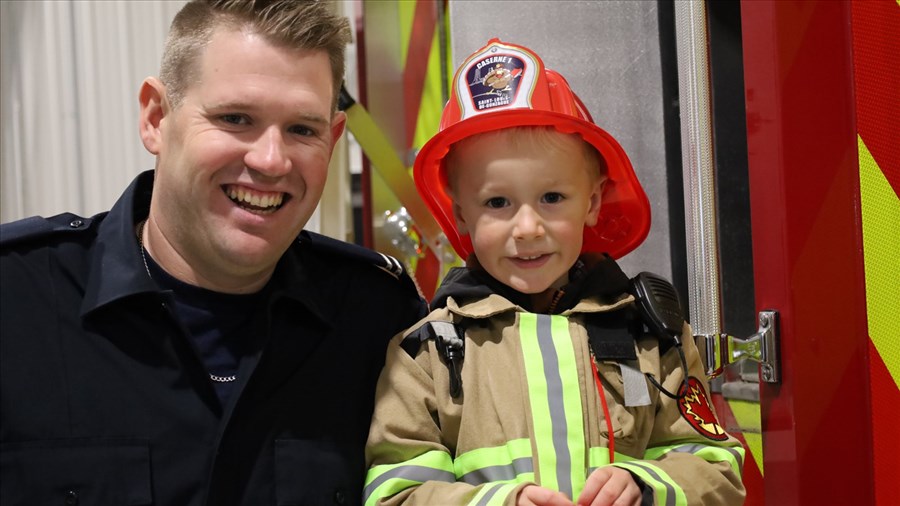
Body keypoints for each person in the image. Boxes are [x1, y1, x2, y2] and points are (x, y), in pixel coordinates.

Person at [0, 1, 425, 505]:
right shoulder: (16, 302)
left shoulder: (380, 320)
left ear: (332, 141)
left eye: (302, 129)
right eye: (236, 118)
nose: (271, 159)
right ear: (157, 118)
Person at [363, 39, 745, 506]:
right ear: (461, 215)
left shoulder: (651, 335)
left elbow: (717, 470)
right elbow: (394, 494)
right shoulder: (427, 355)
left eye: (552, 198)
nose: (527, 228)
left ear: (593, 202)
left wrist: (648, 487)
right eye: (497, 202)